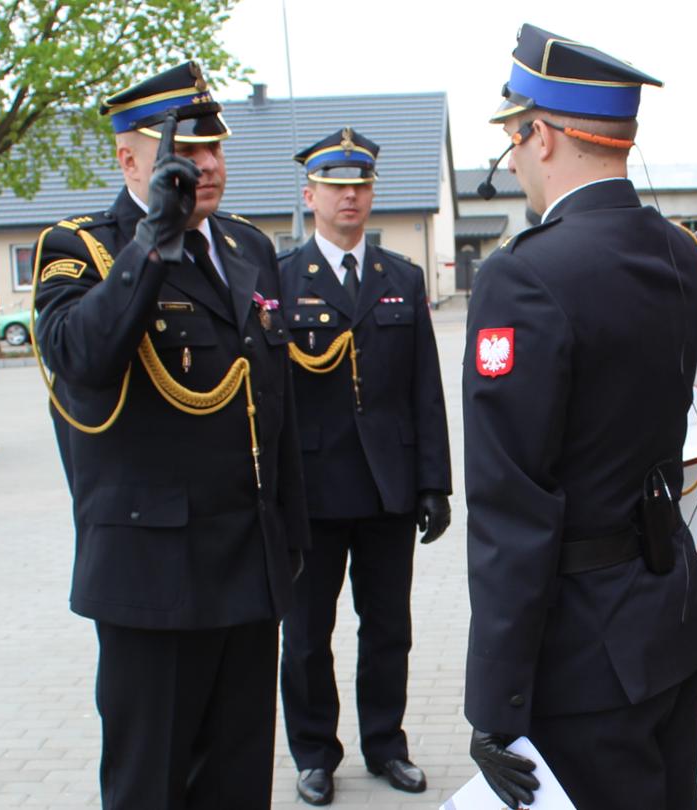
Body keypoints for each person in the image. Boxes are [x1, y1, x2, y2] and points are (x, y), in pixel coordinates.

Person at [464, 25, 697, 810]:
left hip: (581, 650)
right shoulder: (680, 252)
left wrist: (495, 702)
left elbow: (514, 506)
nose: (512, 162)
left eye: (514, 140)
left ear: (539, 135)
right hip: (669, 612)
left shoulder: (524, 276)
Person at [34, 61, 310, 808]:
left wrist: (291, 529)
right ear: (130, 157)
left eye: (215, 148)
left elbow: (273, 400)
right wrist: (153, 241)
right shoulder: (79, 250)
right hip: (151, 571)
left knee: (239, 777)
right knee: (149, 784)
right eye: (185, 153)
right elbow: (85, 358)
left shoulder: (249, 247)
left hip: (246, 561)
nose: (208, 166)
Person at [276, 127, 452, 805]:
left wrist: (434, 482)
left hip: (388, 488)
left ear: (372, 193)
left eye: (360, 185)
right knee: (306, 634)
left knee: (388, 630)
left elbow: (425, 392)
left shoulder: (400, 278)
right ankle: (315, 752)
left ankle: (386, 745)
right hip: (312, 491)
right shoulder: (281, 278)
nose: (349, 196)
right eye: (336, 185)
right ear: (310, 193)